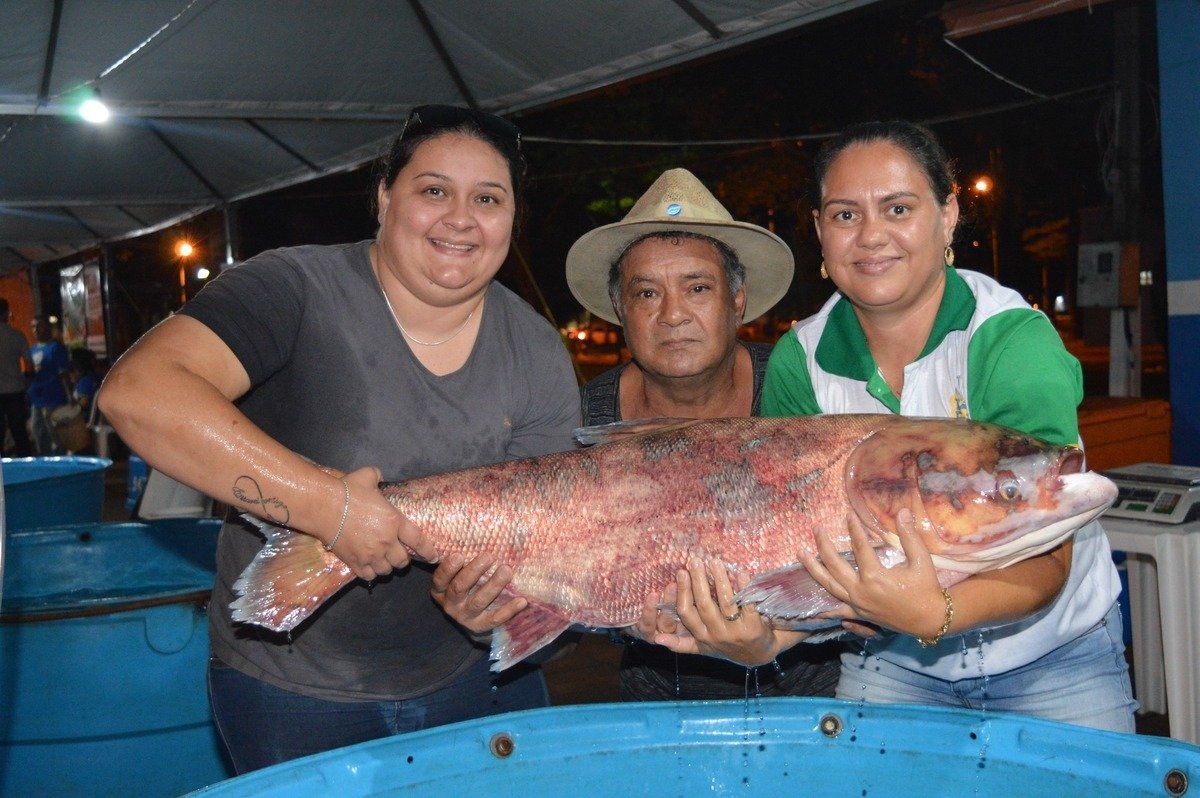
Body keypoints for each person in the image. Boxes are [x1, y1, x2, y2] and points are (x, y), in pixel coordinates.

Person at [97, 105, 581, 773]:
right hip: (292, 688)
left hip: (470, 681)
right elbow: (138, 392)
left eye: (488, 199)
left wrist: (496, 608)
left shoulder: (537, 350)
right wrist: (333, 509)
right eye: (434, 190)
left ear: (512, 219)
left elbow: (548, 540)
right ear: (384, 198)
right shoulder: (292, 288)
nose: (461, 218)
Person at [656, 120, 1135, 732]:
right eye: (845, 215)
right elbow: (801, 542)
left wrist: (936, 611)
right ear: (820, 231)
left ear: (948, 215)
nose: (871, 235)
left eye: (898, 208)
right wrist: (766, 639)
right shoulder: (799, 360)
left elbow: (1047, 555)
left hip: (1054, 658)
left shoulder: (1010, 340)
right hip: (891, 661)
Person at [566, 167, 841, 700]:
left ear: (736, 300)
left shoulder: (795, 390)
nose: (673, 315)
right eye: (647, 293)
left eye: (697, 288)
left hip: (811, 697)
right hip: (654, 694)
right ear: (621, 310)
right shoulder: (586, 420)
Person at [27, 315, 71, 455]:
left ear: (47, 327)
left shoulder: (56, 348)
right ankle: (45, 459)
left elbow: (63, 374)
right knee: (38, 431)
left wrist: (70, 396)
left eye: (39, 326)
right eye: (33, 327)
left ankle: (60, 460)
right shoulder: (32, 349)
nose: (35, 330)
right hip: (36, 399)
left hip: (53, 398)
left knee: (55, 434)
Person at [0, 298, 33, 457]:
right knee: (19, 433)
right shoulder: (17, 336)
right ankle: (25, 465)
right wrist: (27, 382)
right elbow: (29, 365)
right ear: (7, 314)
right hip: (15, 391)